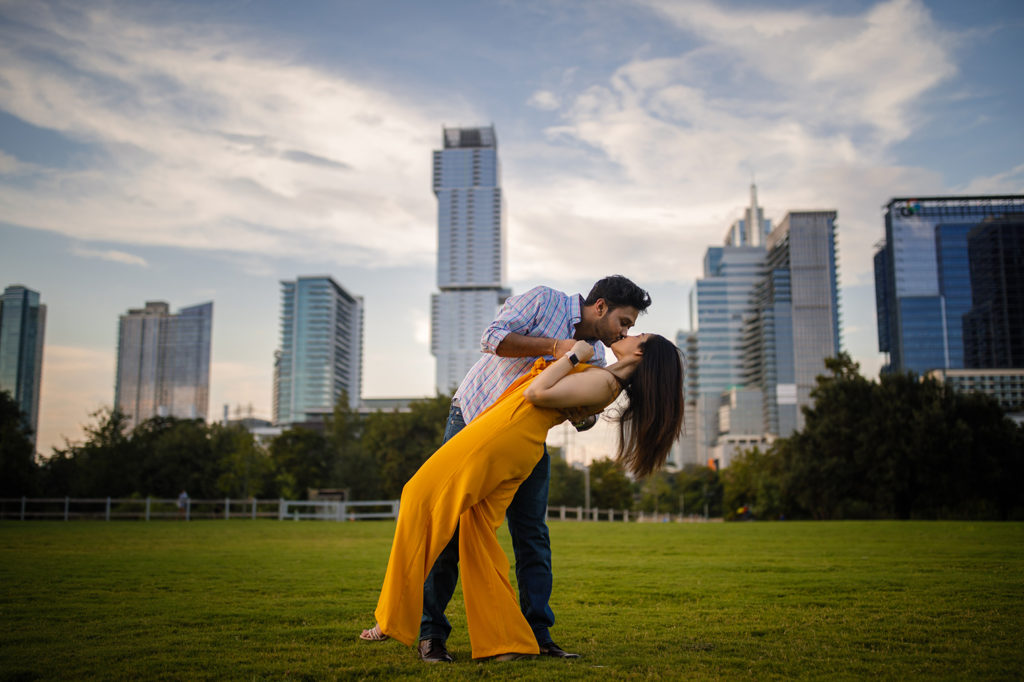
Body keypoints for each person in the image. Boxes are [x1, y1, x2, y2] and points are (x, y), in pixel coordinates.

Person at [360, 332, 685, 660]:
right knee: (476, 534)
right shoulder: (606, 380)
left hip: (504, 436)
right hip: (514, 440)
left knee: (418, 494)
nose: (630, 333)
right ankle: (505, 642)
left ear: (643, 354)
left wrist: (573, 358)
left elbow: (536, 392)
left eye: (639, 334)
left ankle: (391, 618)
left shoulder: (605, 383)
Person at [412, 275, 651, 662]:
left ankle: (538, 635)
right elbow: (492, 337)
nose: (624, 331)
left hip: (525, 439)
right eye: (624, 322)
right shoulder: (544, 301)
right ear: (601, 306)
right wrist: (558, 348)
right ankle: (432, 636)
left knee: (533, 535)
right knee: (451, 529)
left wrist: (584, 414)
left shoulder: (601, 355)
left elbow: (575, 409)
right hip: (474, 418)